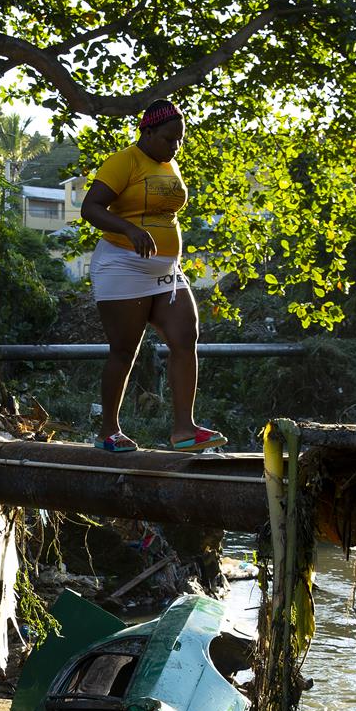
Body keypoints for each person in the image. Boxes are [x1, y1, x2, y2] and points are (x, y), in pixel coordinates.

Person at [79, 98, 227, 453]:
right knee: (124, 350)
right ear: (147, 132)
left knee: (185, 336)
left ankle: (184, 430)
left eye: (180, 140)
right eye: (168, 138)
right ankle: (109, 431)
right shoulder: (124, 161)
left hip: (166, 269)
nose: (175, 146)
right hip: (123, 265)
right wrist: (129, 230)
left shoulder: (169, 164)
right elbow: (90, 208)